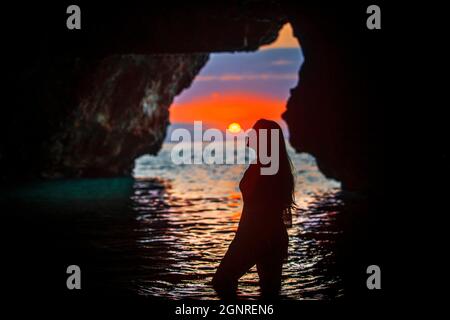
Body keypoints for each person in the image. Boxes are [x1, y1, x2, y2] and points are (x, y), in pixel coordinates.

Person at [212, 119, 296, 298]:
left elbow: (258, 208)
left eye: (254, 132)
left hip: (256, 236)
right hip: (272, 235)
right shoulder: (274, 167)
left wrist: (244, 239)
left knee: (221, 282)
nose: (249, 134)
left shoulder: (265, 168)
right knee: (270, 294)